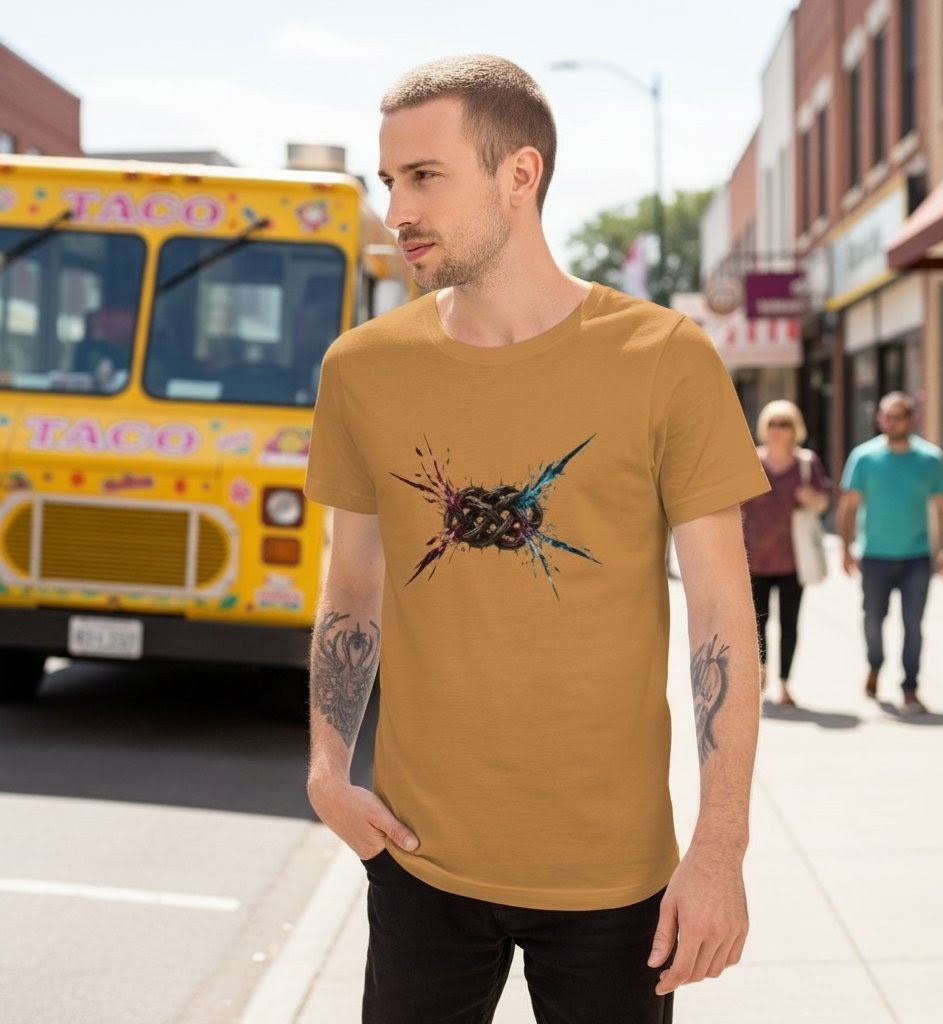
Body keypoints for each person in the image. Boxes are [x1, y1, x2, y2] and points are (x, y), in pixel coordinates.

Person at [303, 54, 769, 1023]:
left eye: (425, 176)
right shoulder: (361, 370)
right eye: (388, 180)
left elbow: (722, 618)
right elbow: (351, 586)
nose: (397, 209)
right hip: (419, 863)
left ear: (520, 176)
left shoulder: (664, 359)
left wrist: (718, 847)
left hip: (611, 881)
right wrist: (324, 768)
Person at [837, 391, 943, 712]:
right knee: (873, 619)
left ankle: (910, 686)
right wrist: (845, 548)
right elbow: (847, 507)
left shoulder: (930, 459)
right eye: (885, 416)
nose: (891, 421)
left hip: (917, 556)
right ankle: (875, 665)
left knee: (913, 624)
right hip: (874, 555)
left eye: (898, 415)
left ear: (911, 418)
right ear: (879, 419)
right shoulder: (863, 457)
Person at [742, 400, 830, 707]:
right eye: (773, 423)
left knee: (790, 623)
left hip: (794, 559)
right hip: (754, 558)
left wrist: (811, 499)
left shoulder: (807, 463)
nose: (779, 430)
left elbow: (823, 503)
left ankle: (785, 683)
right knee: (756, 624)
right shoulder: (749, 460)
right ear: (764, 428)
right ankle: (761, 674)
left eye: (785, 423)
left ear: (796, 429)